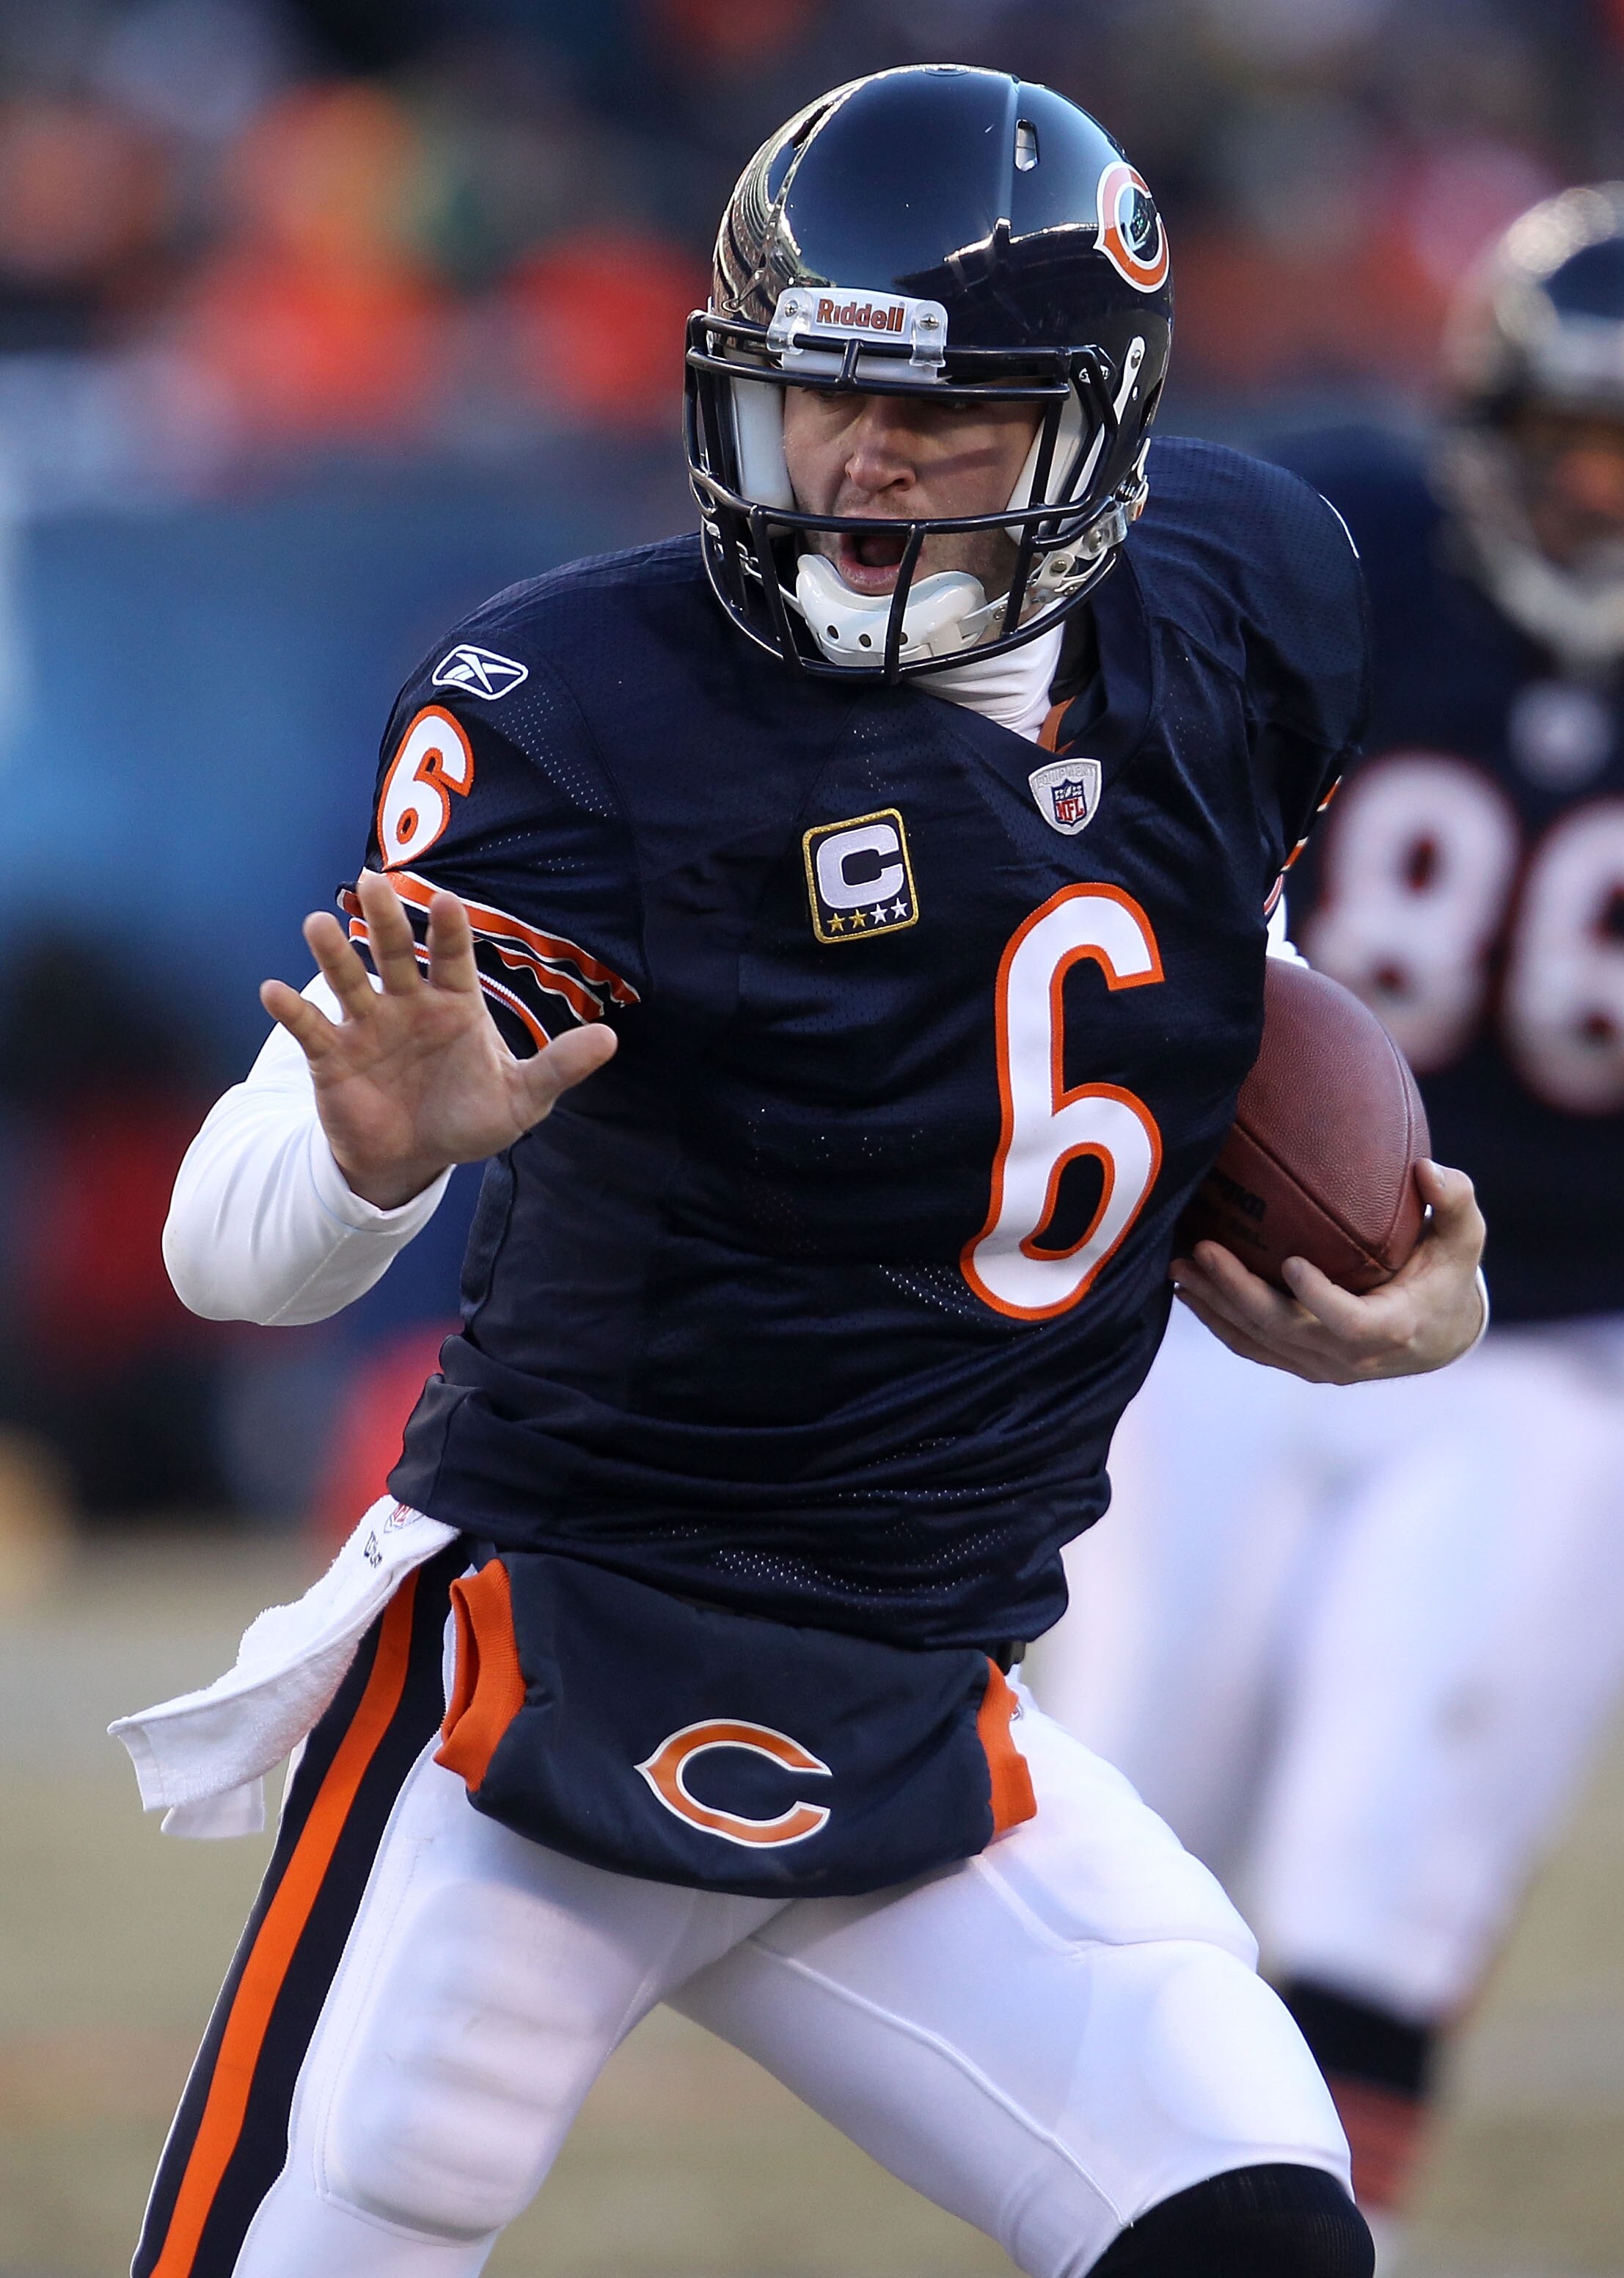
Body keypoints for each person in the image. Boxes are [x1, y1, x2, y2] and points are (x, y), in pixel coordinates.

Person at [119, 67, 1484, 2278]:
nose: (858, 470)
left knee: (1260, 2229)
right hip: (544, 1672)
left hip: (936, 1695)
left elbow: (1214, 951)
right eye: (813, 402)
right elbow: (223, 1245)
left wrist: (1408, 1268)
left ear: (1099, 432)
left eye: (938, 423)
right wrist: (371, 1154)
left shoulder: (1241, 597)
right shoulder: (591, 703)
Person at [1038, 180, 1624, 2260]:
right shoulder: (1331, 560)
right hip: (1232, 1296)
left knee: (1379, 1872)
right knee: (1110, 1830)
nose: (1598, 496)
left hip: (1569, 1343)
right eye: (1564, 445)